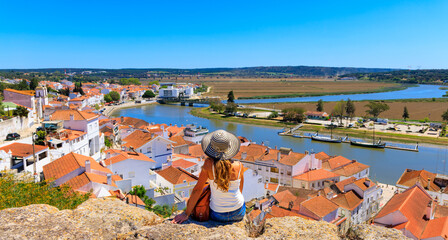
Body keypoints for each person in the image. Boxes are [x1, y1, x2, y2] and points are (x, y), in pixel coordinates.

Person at [172, 129, 245, 224]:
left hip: (218, 214)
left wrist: (186, 214)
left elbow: (197, 190)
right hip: (238, 212)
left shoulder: (208, 165)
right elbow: (240, 190)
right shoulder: (239, 165)